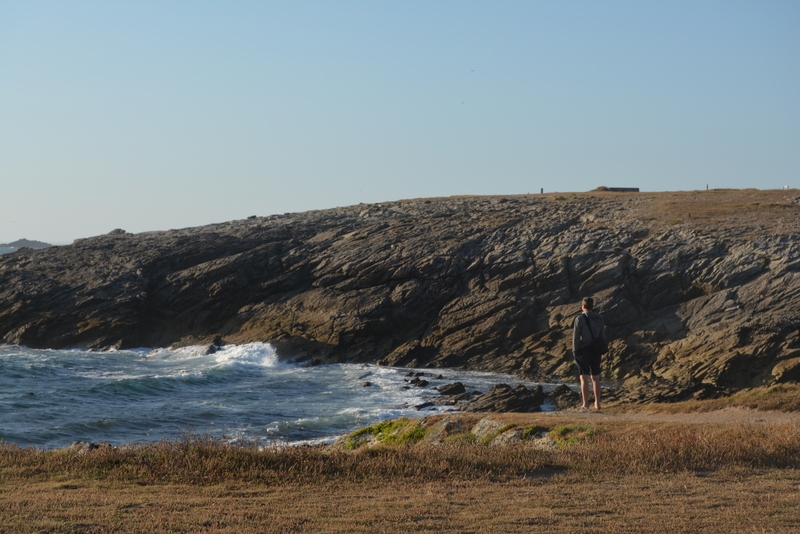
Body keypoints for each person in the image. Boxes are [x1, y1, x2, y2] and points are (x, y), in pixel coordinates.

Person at [572, 297, 606, 411]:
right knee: (596, 377)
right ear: (592, 306)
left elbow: (576, 337)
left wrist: (575, 351)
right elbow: (602, 336)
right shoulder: (599, 318)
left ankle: (585, 404)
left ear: (583, 306)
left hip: (584, 350)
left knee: (584, 378)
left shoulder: (580, 319)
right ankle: (597, 403)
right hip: (596, 350)